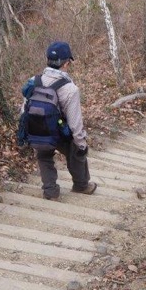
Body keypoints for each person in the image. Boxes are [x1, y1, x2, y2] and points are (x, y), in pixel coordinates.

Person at [27, 41, 96, 200]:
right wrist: (81, 144)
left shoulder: (33, 81)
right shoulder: (70, 89)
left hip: (38, 130)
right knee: (76, 150)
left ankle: (50, 192)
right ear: (66, 63)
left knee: (44, 156)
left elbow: (25, 108)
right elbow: (75, 123)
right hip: (60, 131)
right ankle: (81, 185)